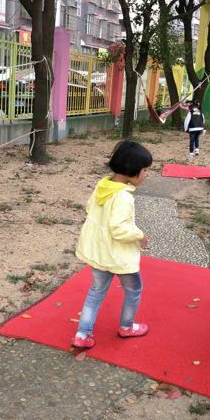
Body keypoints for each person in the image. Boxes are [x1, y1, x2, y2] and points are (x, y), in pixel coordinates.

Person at [72, 140, 153, 349]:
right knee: (134, 290)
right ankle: (127, 326)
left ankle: (82, 334)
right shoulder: (123, 197)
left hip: (100, 253)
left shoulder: (103, 186)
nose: (146, 174)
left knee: (96, 292)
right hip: (119, 256)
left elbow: (90, 208)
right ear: (132, 170)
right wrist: (140, 236)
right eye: (145, 169)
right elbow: (119, 229)